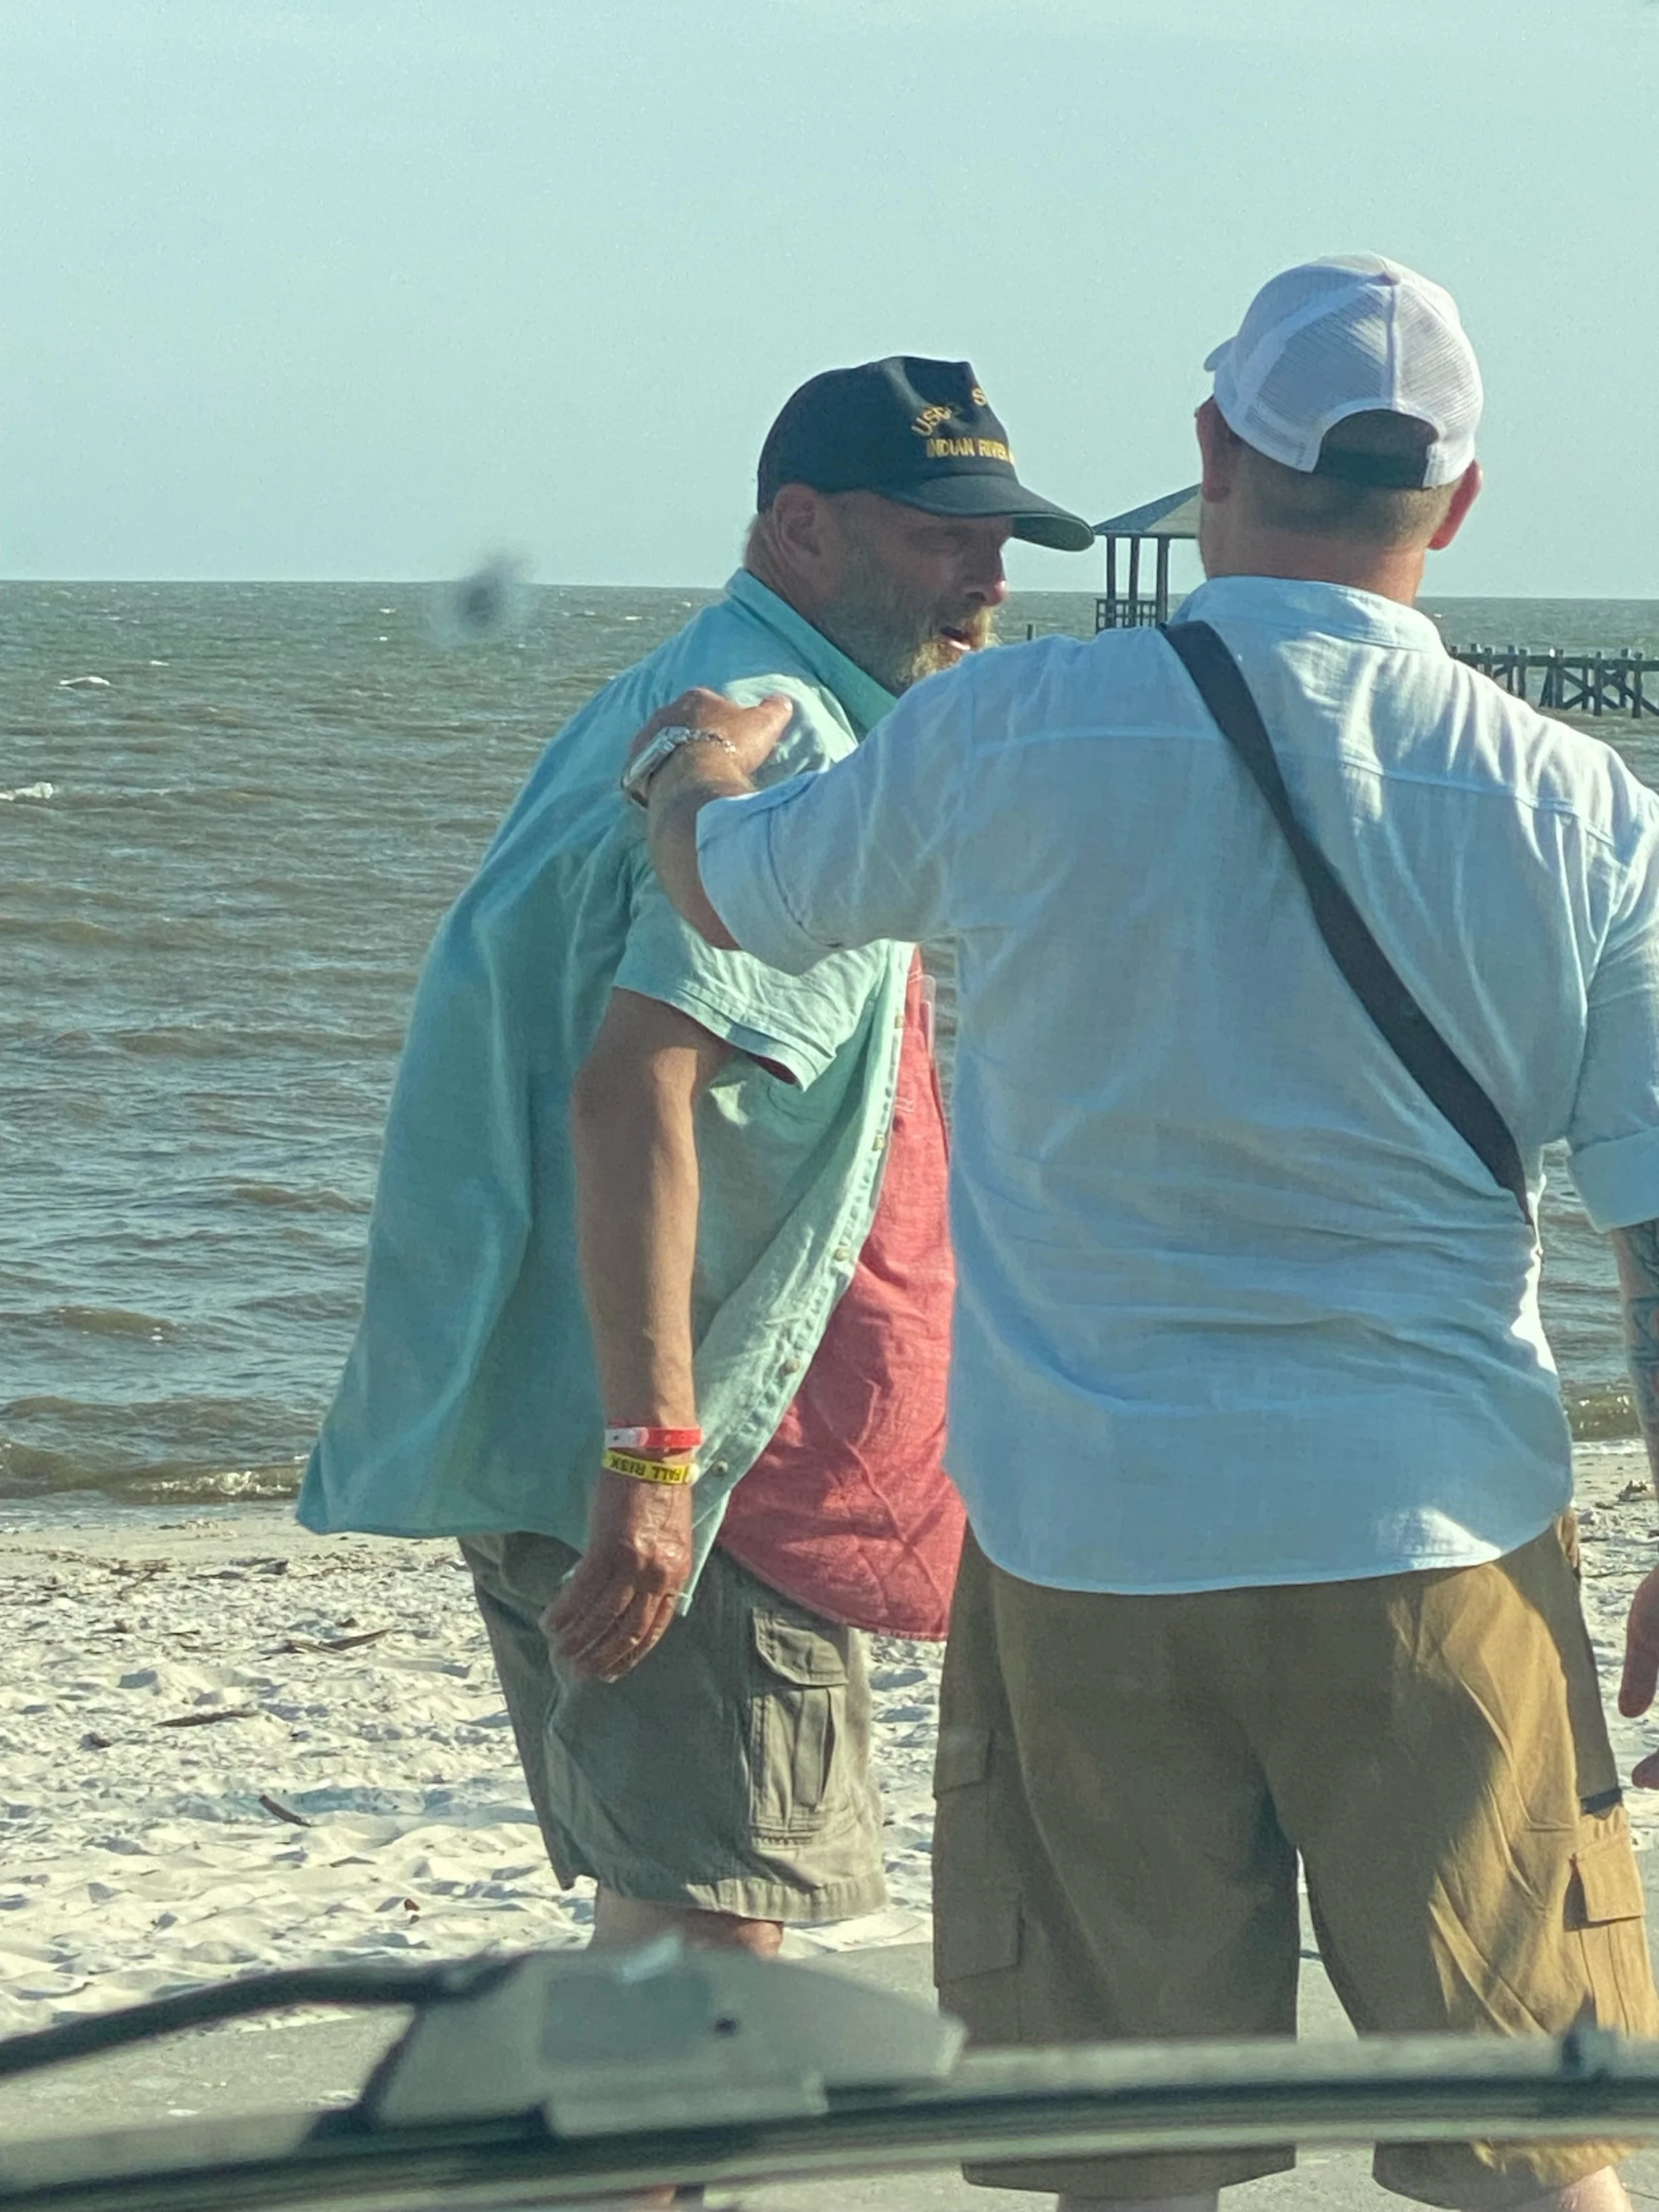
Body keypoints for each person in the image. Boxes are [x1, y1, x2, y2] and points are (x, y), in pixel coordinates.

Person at [629, 257, 1659, 2212]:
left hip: (1090, 1539)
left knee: (1125, 2157)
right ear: (1453, 502)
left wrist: (689, 766)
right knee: (1532, 2137)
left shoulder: (1004, 730)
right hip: (1434, 1531)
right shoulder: (1583, 807)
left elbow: (738, 895)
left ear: (1207, 456)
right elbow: (1653, 1220)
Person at [299, 358, 1094, 1966]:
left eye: (1003, 536)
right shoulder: (790, 742)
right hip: (693, 1465)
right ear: (798, 526)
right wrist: (655, 1465)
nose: (989, 577)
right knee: (706, 1967)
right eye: (944, 531)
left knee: (664, 1954)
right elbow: (631, 1091)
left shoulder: (694, 690)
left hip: (574, 1430)